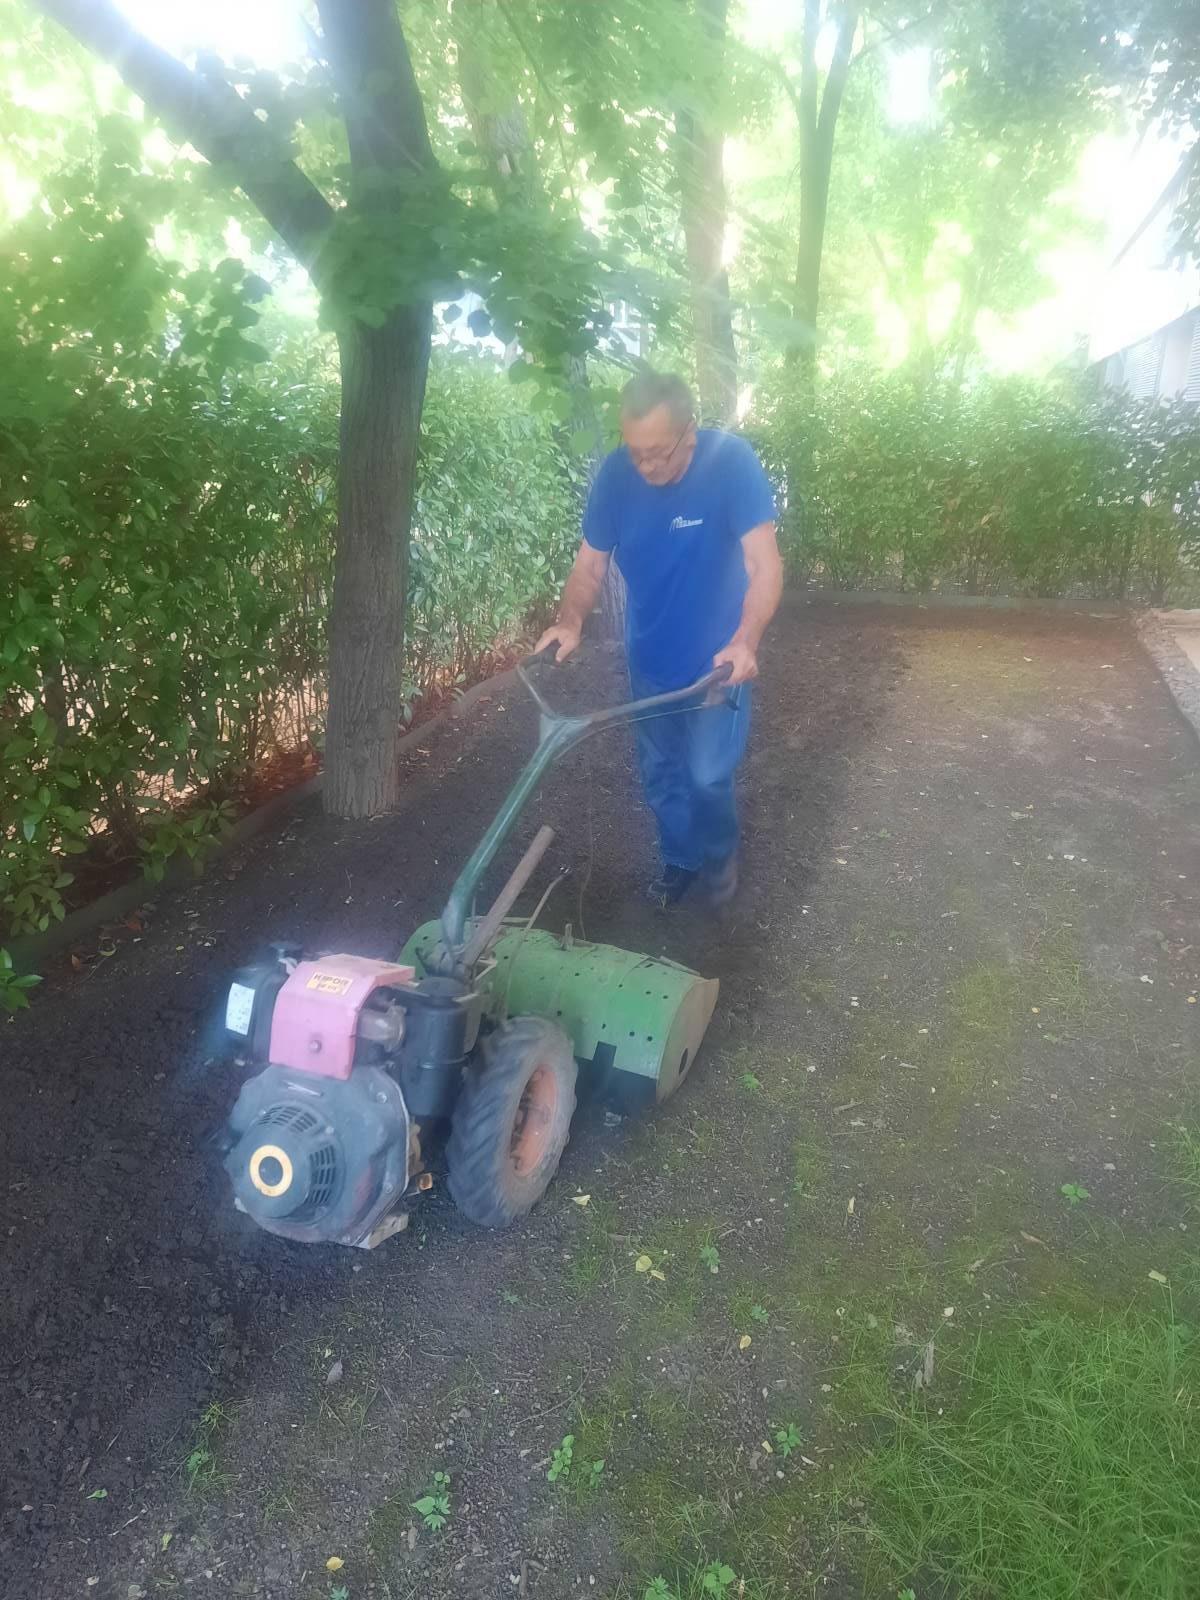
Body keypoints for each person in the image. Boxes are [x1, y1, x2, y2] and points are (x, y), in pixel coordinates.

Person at [536, 371, 783, 906]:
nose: (645, 466)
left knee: (708, 775)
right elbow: (589, 566)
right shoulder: (615, 477)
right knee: (662, 772)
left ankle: (718, 856)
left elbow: (764, 564)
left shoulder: (731, 463)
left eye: (657, 453)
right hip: (650, 656)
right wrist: (570, 621)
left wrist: (746, 640)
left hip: (719, 662)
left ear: (688, 433)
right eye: (636, 453)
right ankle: (679, 860)